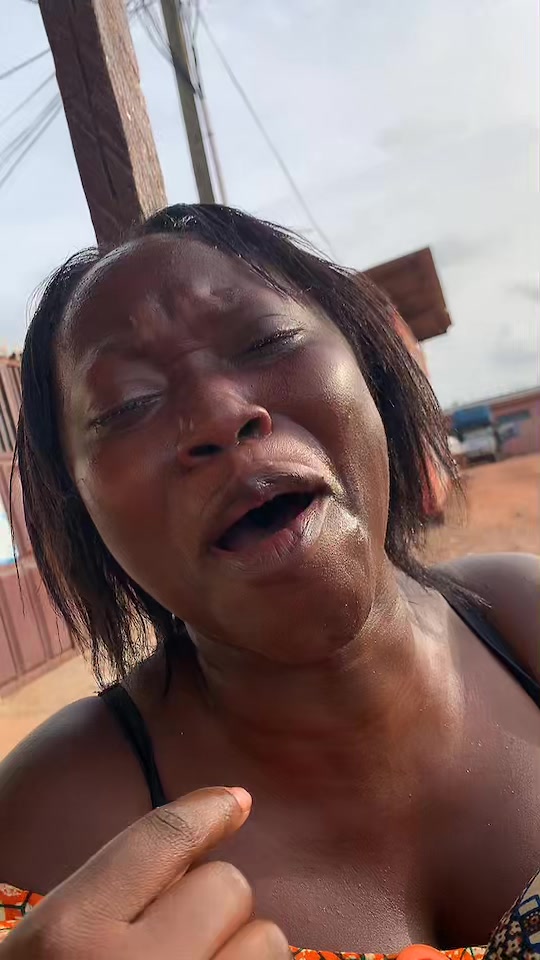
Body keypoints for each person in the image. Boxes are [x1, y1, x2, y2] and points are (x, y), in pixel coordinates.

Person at [0, 204, 538, 959]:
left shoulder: (521, 614)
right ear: (80, 511)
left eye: (267, 341)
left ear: (369, 368)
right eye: (128, 405)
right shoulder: (45, 829)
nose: (219, 417)